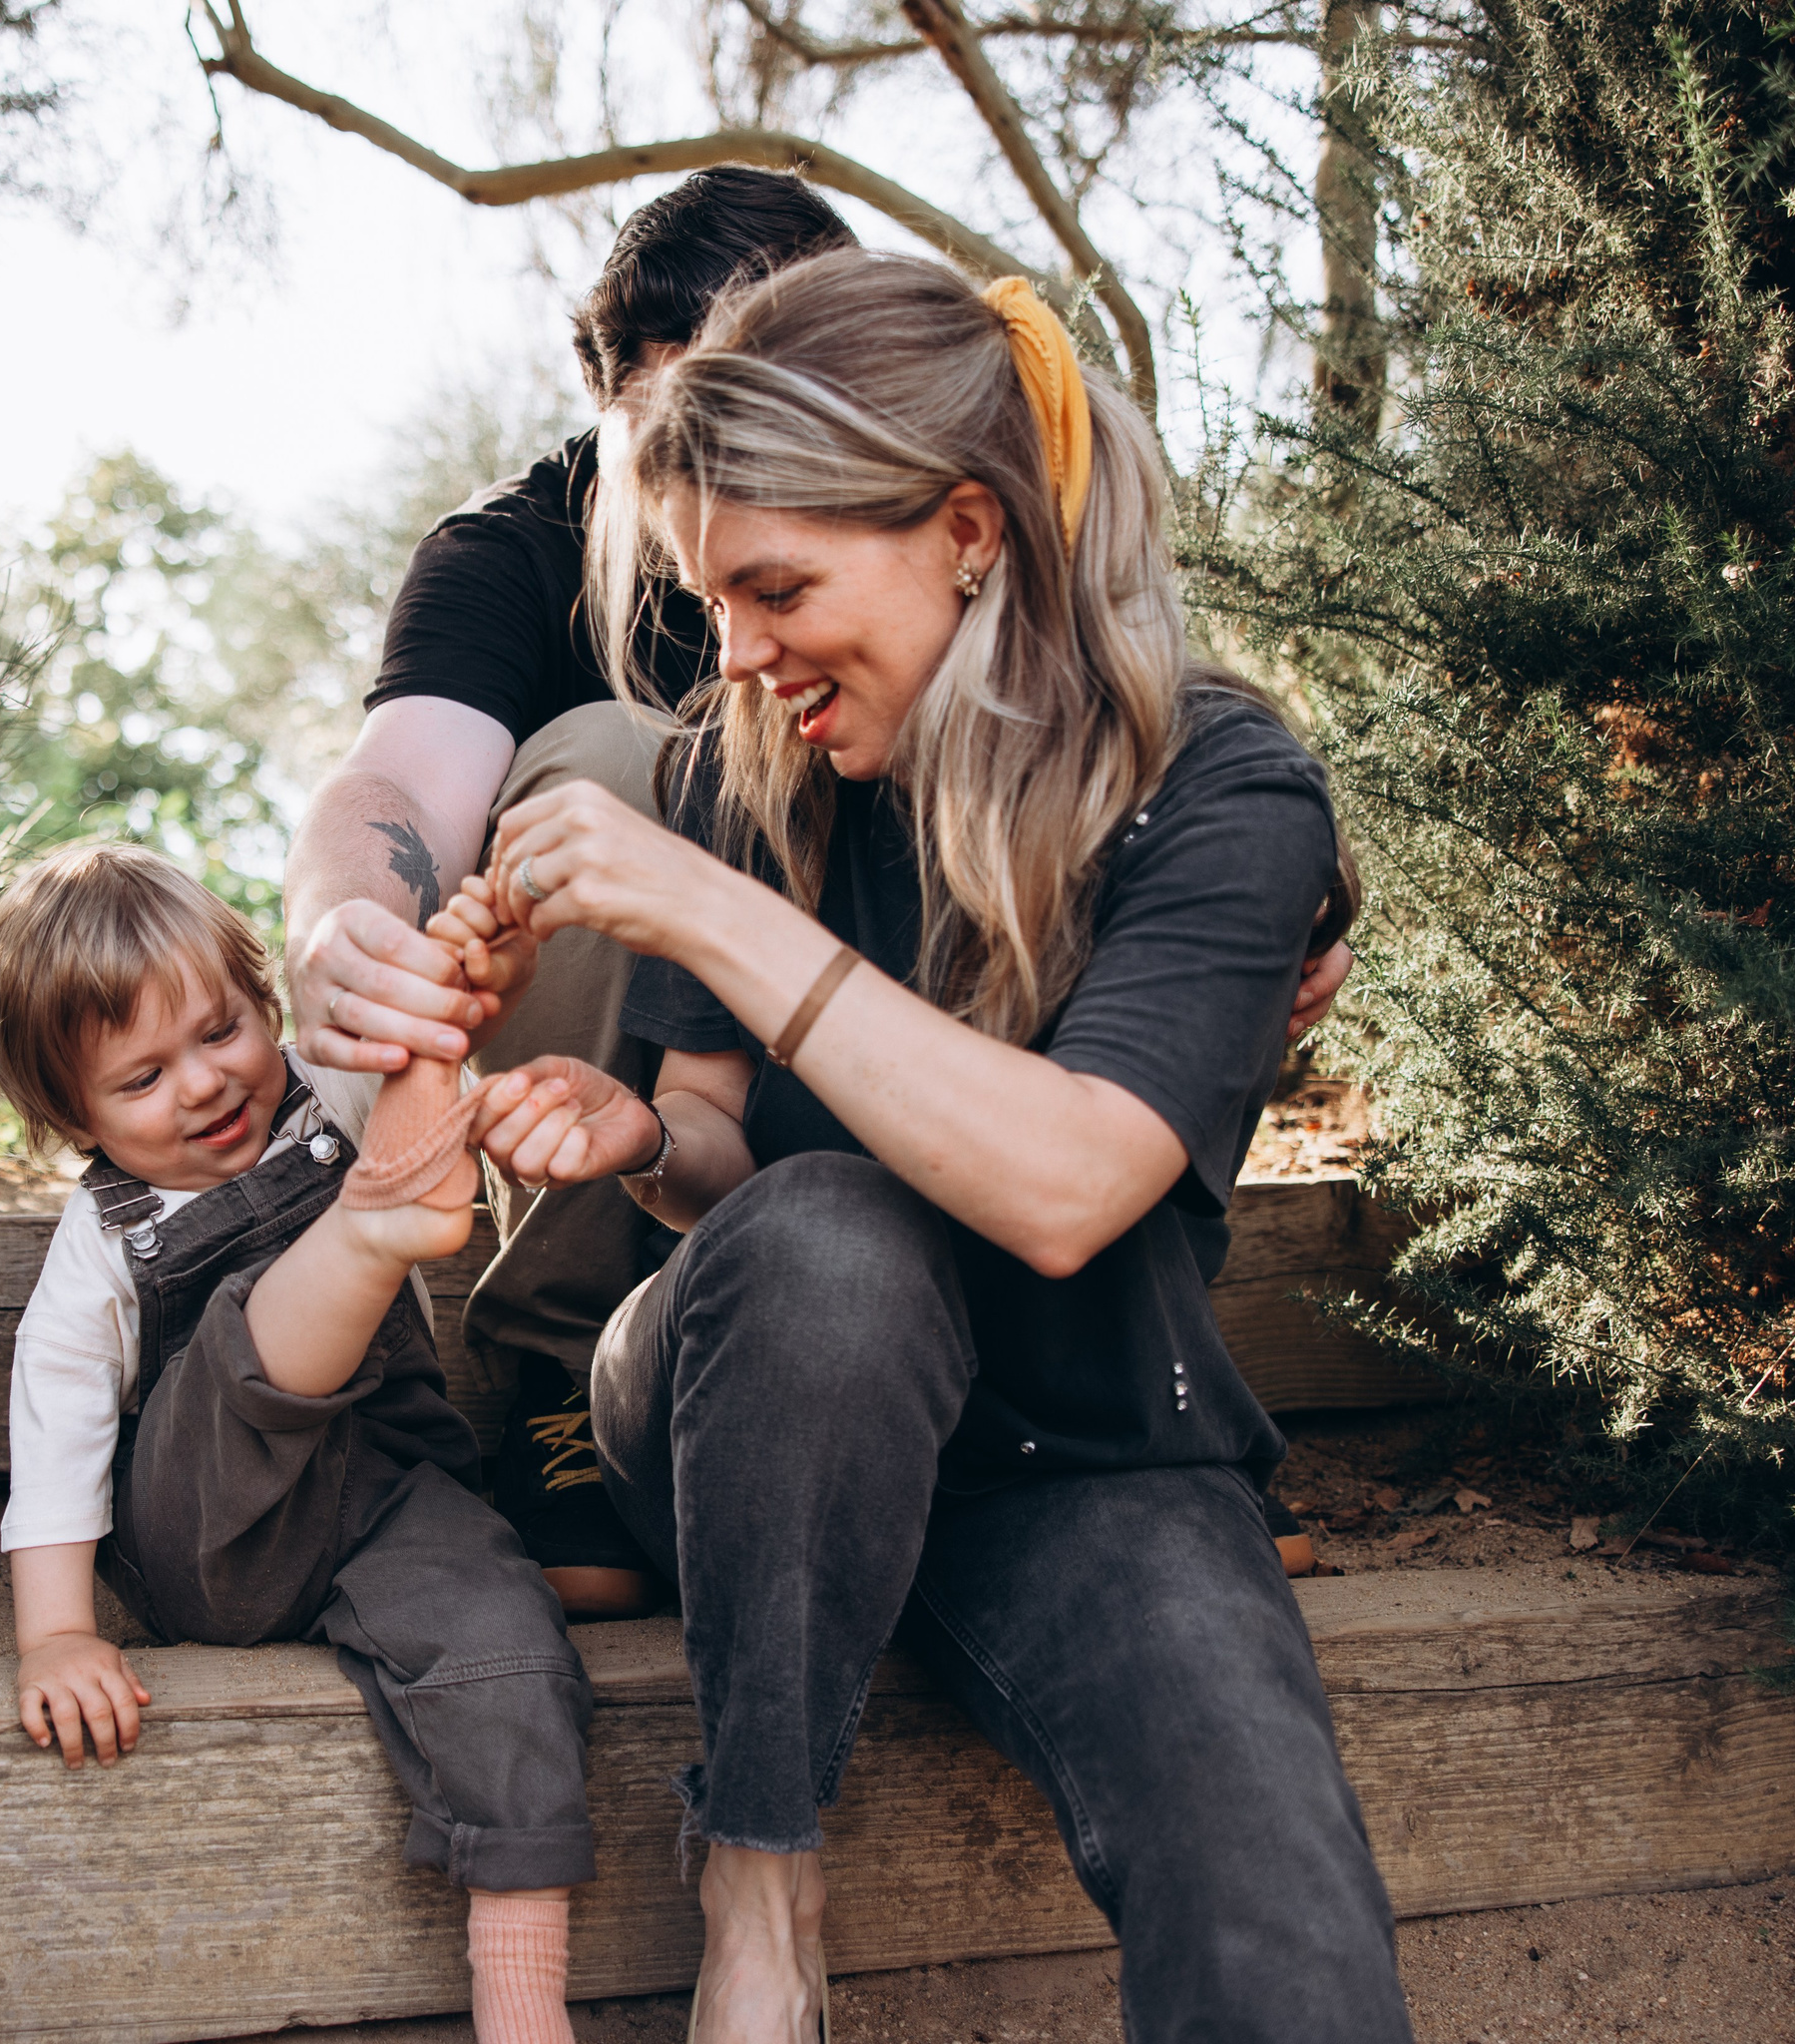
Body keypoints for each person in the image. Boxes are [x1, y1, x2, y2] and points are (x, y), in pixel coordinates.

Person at [433, 251, 1414, 2042]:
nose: (732, 653)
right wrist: (646, 1131)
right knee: (825, 1235)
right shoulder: (744, 771)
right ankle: (758, 1871)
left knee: (1290, 1950)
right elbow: (723, 1149)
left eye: (776, 586)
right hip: (752, 1419)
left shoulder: (1215, 785)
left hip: (1088, 1452)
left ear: (967, 528)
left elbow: (1068, 1187)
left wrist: (722, 925)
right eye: (709, 596)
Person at [282, 167, 1354, 1612]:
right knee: (629, 762)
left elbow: (1127, 726)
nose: (737, 439)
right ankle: (554, 1362)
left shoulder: (938, 544)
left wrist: (1239, 899)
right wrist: (346, 919)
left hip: (957, 1105)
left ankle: (1119, 1384)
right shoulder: (516, 552)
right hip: (686, 1104)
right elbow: (399, 787)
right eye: (690, 410)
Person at [0, 842, 593, 2044]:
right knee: (222, 1344)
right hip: (217, 1532)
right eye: (142, 1076)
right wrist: (55, 1632)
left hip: (389, 1484)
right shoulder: (102, 1243)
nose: (204, 1084)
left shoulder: (333, 1094)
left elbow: (435, 1069)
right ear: (71, 1114)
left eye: (220, 1031)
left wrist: (454, 991)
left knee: (506, 1633)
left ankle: (522, 1996)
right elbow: (58, 1429)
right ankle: (370, 1234)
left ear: (264, 1003)